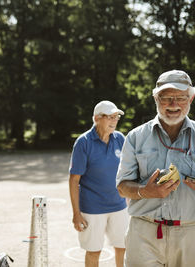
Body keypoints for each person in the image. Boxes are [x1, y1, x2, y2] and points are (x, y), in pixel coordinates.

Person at [116, 70, 195, 266]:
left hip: (191, 234)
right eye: (166, 97)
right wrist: (144, 191)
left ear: (191, 98)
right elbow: (122, 187)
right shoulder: (135, 137)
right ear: (155, 98)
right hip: (144, 233)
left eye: (180, 98)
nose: (173, 104)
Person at [69, 100, 129, 267]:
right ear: (96, 118)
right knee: (94, 251)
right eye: (109, 117)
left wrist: (129, 198)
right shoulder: (83, 142)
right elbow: (74, 181)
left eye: (116, 117)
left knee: (123, 247)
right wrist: (76, 213)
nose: (113, 121)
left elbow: (127, 171)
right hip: (92, 209)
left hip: (119, 205)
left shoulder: (120, 139)